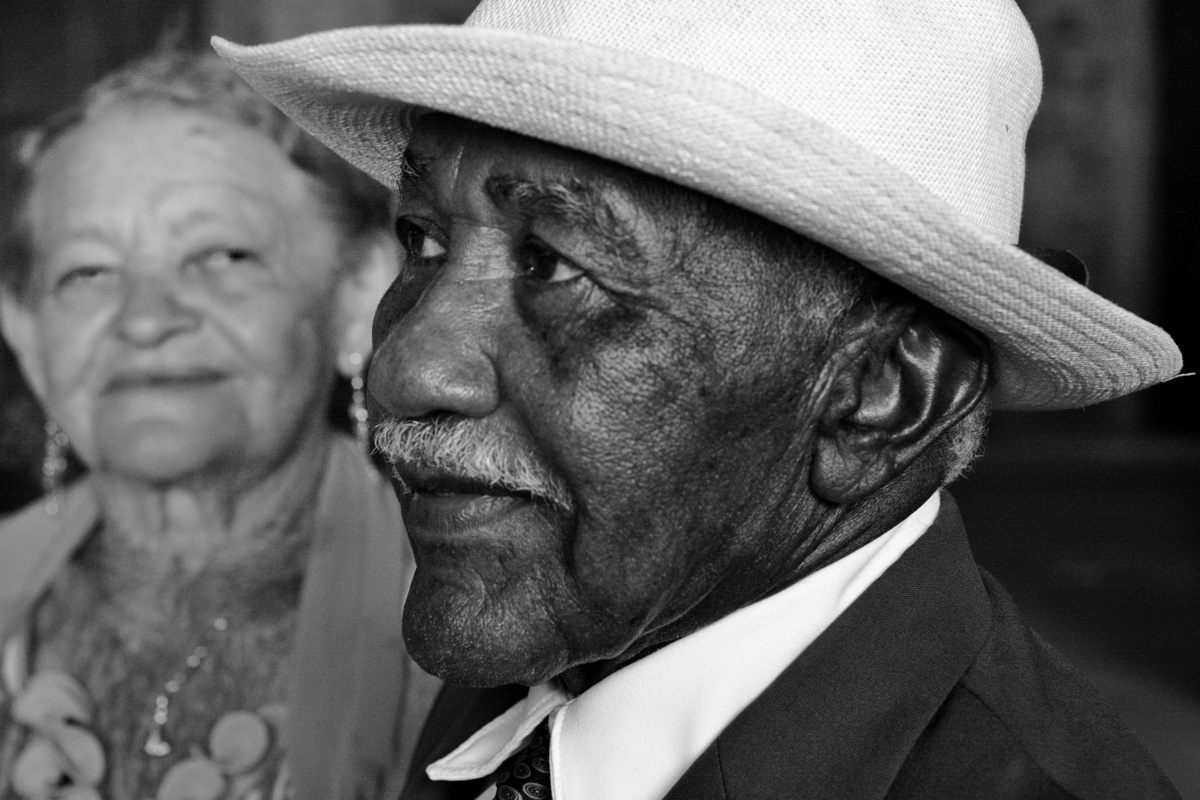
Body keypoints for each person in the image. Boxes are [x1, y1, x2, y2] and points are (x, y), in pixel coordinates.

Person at [215, 0, 1186, 798]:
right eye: (424, 240)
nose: (403, 369)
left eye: (556, 264)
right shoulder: (579, 621)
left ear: (882, 392)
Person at [0, 50, 440, 800]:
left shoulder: (467, 629)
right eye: (88, 271)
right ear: (26, 330)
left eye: (222, 256)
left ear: (356, 294)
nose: (145, 320)